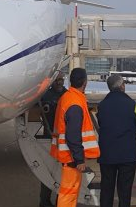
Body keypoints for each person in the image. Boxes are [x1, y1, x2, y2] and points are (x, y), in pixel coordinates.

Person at [50, 68, 100, 207]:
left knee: (69, 193)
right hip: (71, 157)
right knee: (68, 194)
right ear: (85, 82)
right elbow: (72, 135)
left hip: (68, 155)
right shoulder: (75, 102)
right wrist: (79, 158)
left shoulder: (68, 97)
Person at [97, 73, 136, 207]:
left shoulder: (101, 105)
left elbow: (101, 123)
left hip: (107, 154)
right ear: (122, 86)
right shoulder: (132, 104)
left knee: (106, 189)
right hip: (127, 154)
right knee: (125, 191)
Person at [39, 72, 67, 207]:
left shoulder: (67, 95)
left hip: (63, 141)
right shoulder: (45, 95)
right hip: (48, 139)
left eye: (61, 80)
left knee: (61, 173)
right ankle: (44, 201)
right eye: (57, 80)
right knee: (47, 172)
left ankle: (59, 201)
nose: (59, 82)